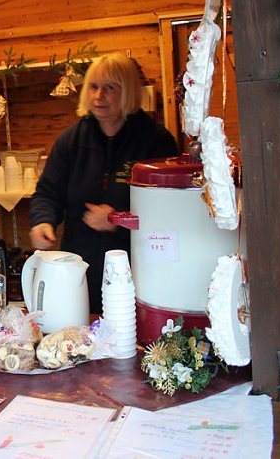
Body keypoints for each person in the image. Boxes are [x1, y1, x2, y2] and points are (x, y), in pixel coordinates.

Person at [29, 52, 178, 313]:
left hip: (138, 270)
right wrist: (43, 220)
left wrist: (117, 219)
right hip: (80, 267)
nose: (99, 96)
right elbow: (47, 193)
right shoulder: (70, 141)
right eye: (94, 87)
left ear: (129, 91)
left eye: (110, 88)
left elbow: (170, 213)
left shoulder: (155, 141)